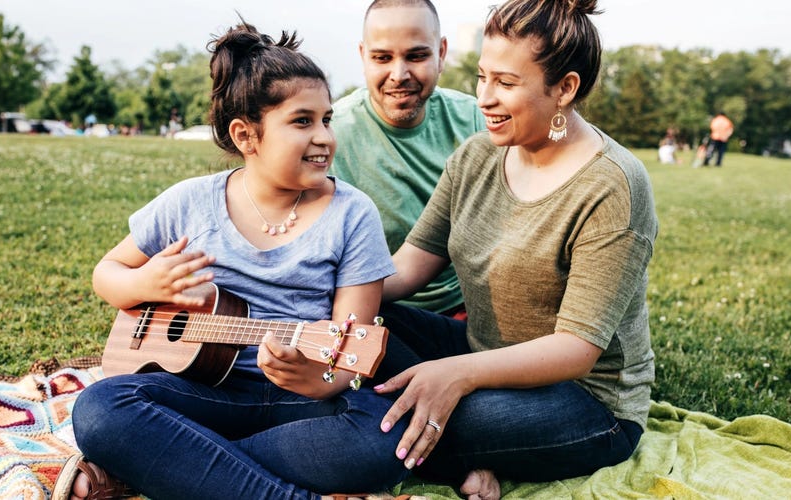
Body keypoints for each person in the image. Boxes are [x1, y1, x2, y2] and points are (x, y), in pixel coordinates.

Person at [51, 21, 410, 500]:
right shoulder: (189, 203)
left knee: (381, 439)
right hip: (199, 394)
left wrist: (321, 381)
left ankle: (177, 464)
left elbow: (348, 356)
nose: (324, 136)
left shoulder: (352, 213)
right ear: (247, 135)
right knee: (100, 408)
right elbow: (107, 274)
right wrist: (145, 284)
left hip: (297, 403)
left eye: (327, 119)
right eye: (302, 121)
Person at [370, 1, 659, 498]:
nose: (484, 97)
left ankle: (447, 455)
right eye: (482, 77)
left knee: (397, 415)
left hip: (583, 400)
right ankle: (466, 466)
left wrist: (455, 375)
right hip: (483, 355)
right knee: (363, 327)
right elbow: (409, 266)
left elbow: (576, 351)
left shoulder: (614, 186)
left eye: (505, 83)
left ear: (565, 88)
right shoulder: (477, 154)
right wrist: (324, 285)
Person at [330, 0, 486, 317]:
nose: (399, 74)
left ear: (441, 53)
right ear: (363, 56)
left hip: (470, 306)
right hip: (370, 310)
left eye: (416, 56)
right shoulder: (330, 136)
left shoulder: (475, 119)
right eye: (382, 58)